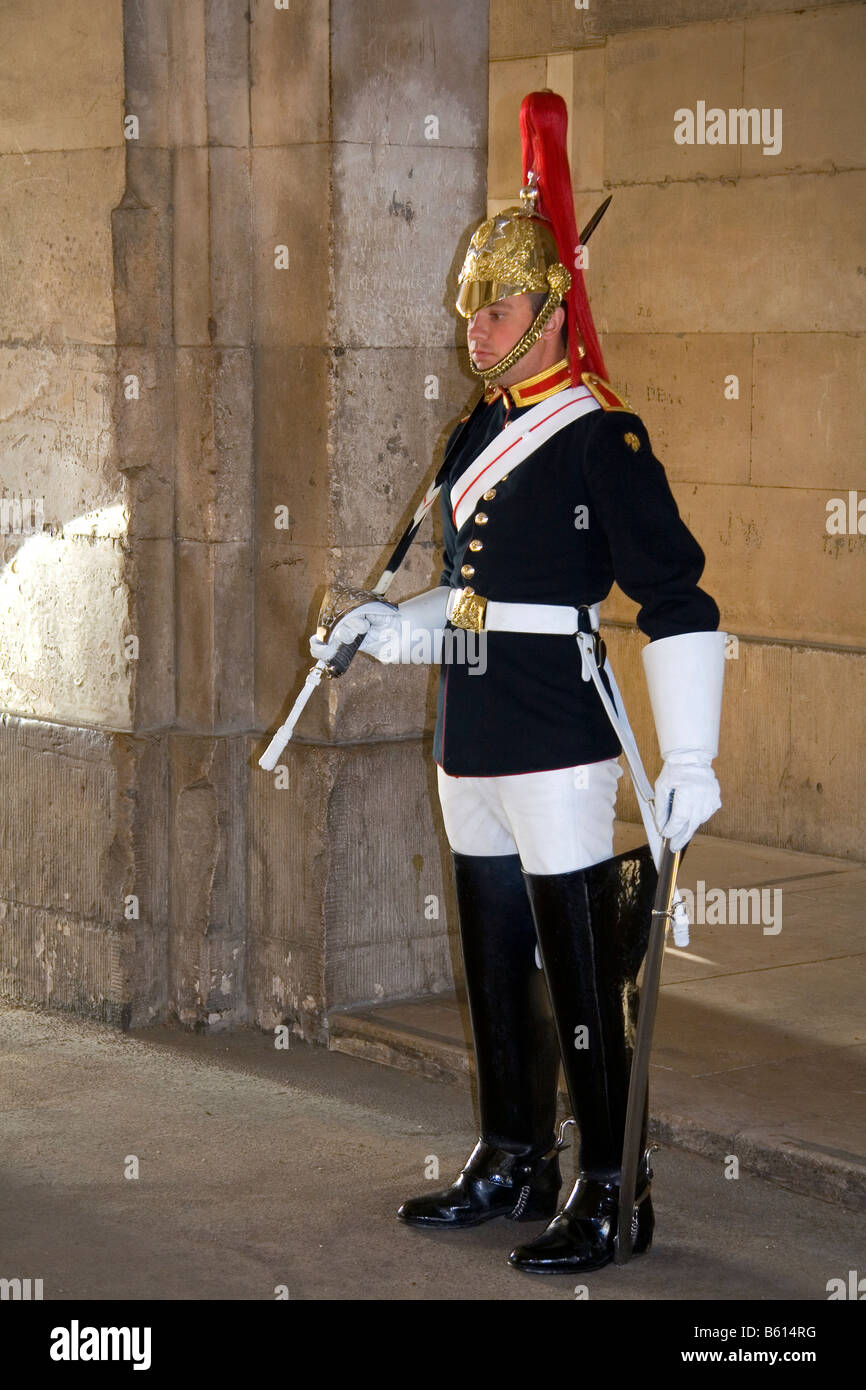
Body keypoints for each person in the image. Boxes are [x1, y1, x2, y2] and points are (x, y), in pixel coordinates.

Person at [311, 91, 725, 1274]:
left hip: (557, 729)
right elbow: (473, 598)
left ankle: (609, 1180)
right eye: (469, 305)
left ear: (547, 313)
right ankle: (511, 1152)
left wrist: (687, 760)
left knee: (578, 958)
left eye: (493, 305)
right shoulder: (467, 438)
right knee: (493, 952)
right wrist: (385, 632)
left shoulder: (604, 438)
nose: (474, 326)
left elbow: (678, 598)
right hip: (473, 728)